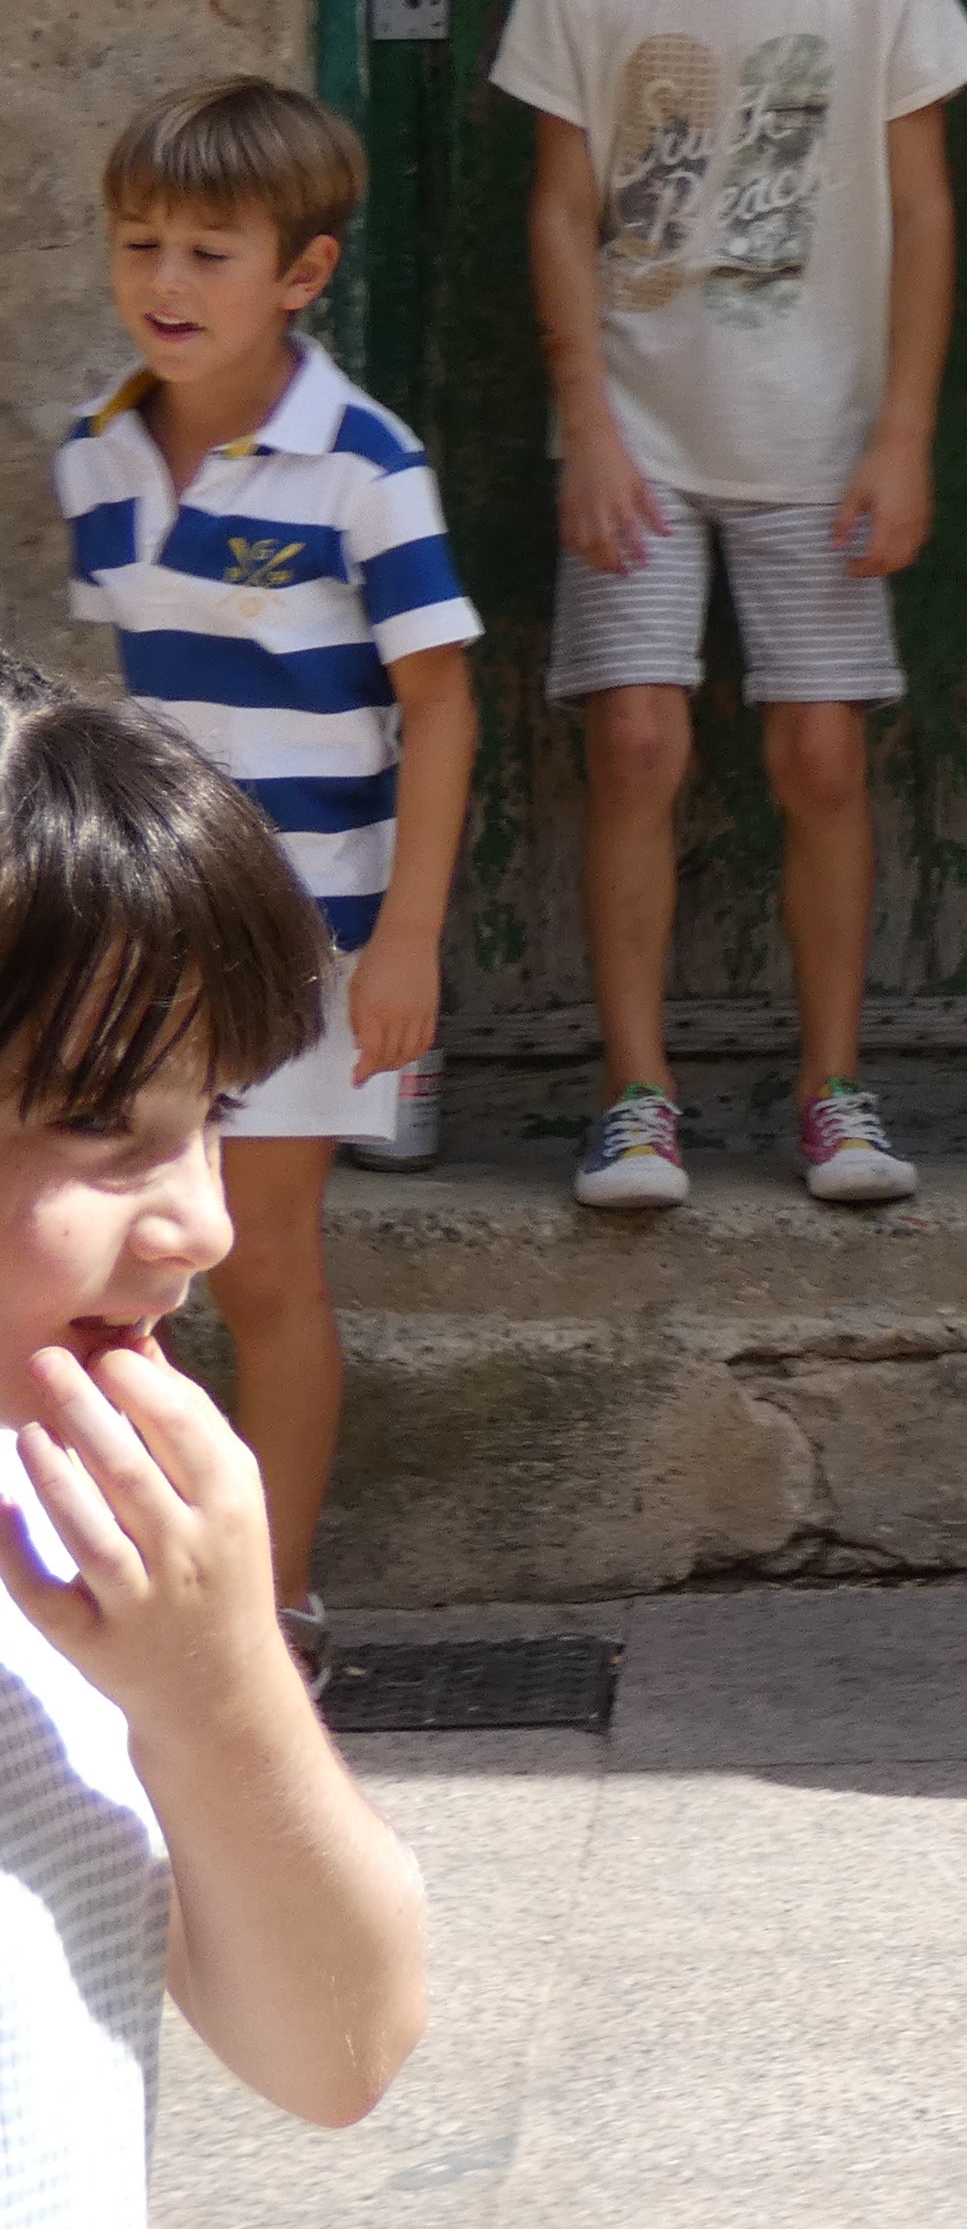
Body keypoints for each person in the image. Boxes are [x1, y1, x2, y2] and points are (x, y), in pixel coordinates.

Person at [493, 0, 967, 1216]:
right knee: (636, 741)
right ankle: (636, 1096)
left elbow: (926, 214)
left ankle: (834, 1088)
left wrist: (905, 429)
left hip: (821, 442)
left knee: (822, 757)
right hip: (638, 437)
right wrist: (588, 420)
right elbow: (561, 210)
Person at [52, 83, 477, 1684]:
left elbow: (441, 703)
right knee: (99, 1263)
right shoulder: (98, 457)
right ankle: (109, 1589)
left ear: (300, 274)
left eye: (209, 252)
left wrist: (409, 945)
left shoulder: (367, 467)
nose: (166, 280)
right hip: (145, 948)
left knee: (268, 1267)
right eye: (140, 243)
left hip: (311, 947)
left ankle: (269, 1619)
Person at [0, 654, 429, 2212]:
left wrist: (220, 1687)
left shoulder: (54, 1523)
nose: (196, 1222)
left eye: (217, 1116)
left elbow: (342, 2051)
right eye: (107, 1122)